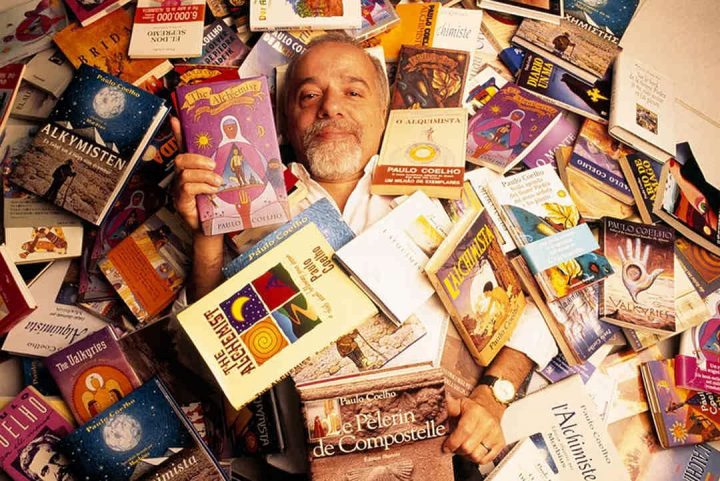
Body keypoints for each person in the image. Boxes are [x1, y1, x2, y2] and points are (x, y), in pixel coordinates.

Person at [172, 32, 557, 467]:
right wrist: (207, 232)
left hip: (444, 455)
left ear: (386, 111)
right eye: (309, 95)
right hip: (307, 468)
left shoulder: (451, 192)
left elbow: (546, 304)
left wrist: (493, 396)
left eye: (353, 92)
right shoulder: (244, 209)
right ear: (284, 119)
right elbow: (200, 358)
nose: (330, 107)